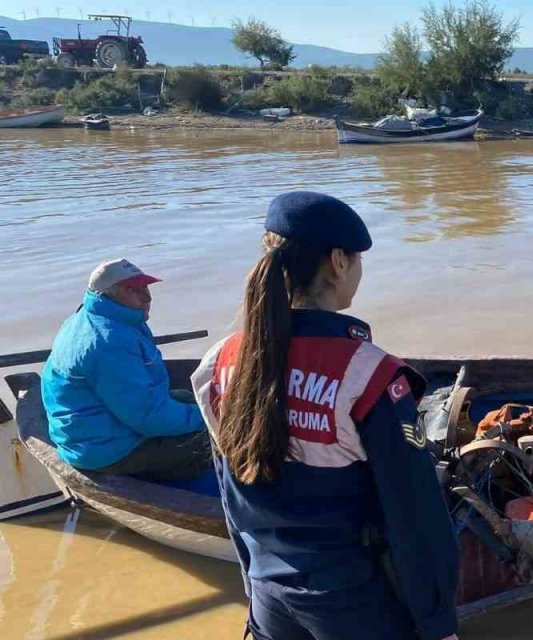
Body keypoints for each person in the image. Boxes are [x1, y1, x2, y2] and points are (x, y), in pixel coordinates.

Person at [191, 192, 459, 640]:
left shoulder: (221, 362)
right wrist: (437, 623)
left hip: (269, 594)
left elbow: (231, 494)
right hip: (352, 602)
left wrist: (253, 588)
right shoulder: (368, 375)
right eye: (357, 260)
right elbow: (414, 516)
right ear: (338, 262)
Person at [42, 259, 209, 483]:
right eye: (132, 290)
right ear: (106, 295)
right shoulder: (108, 341)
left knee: (187, 398)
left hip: (102, 426)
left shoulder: (112, 318)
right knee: (219, 439)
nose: (146, 296)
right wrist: (212, 420)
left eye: (145, 286)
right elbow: (148, 416)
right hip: (104, 448)